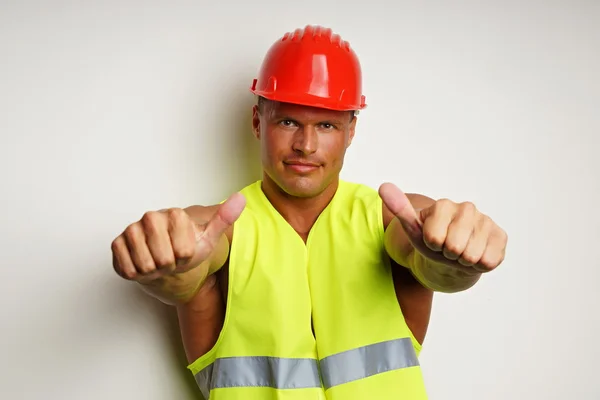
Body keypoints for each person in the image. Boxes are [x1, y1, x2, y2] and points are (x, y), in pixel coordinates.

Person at [111, 25, 508, 399]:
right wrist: (167, 259)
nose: (306, 145)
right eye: (287, 121)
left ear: (351, 131)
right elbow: (187, 269)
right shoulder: (221, 231)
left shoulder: (392, 220)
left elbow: (430, 259)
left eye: (327, 125)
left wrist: (456, 259)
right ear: (257, 122)